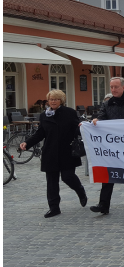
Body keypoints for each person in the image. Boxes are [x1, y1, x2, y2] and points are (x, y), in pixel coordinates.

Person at [20, 89, 87, 218]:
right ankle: (54, 208)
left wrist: (84, 128)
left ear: (61, 100)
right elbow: (40, 134)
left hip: (66, 151)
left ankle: (80, 191)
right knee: (51, 182)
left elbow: (77, 129)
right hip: (50, 152)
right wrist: (27, 143)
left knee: (68, 177)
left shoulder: (70, 113)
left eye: (56, 99)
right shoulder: (44, 115)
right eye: (51, 99)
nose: (53, 101)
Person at [90, 77, 124, 214]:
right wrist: (96, 121)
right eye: (111, 87)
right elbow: (102, 117)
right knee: (108, 173)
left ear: (123, 87)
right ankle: (104, 205)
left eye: (116, 87)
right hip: (112, 145)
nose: (113, 90)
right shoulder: (107, 104)